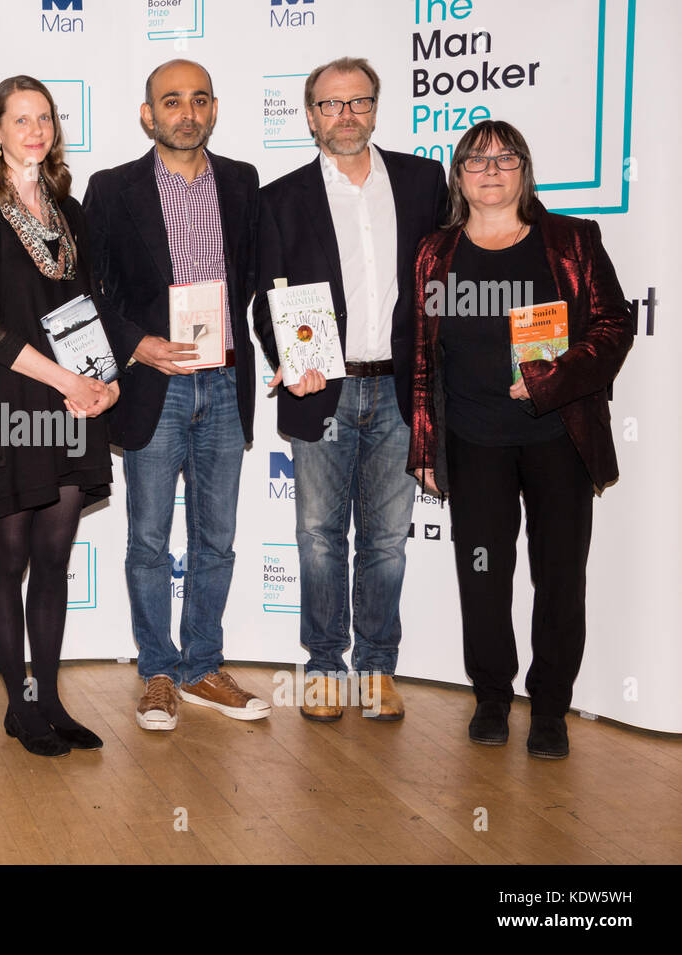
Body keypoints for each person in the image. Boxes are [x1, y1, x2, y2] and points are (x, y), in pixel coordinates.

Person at [408, 120, 633, 759]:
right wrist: (425, 445)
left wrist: (551, 379)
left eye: (505, 159)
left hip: (558, 438)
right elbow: (423, 357)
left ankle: (551, 707)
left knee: (559, 575)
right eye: (476, 161)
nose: (490, 170)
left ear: (524, 171)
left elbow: (615, 325)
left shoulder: (571, 240)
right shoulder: (435, 252)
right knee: (483, 574)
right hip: (472, 440)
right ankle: (491, 696)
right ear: (458, 177)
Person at [251, 57, 446, 722]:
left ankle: (378, 667)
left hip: (399, 389)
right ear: (310, 116)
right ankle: (327, 664)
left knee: (388, 538)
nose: (346, 116)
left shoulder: (424, 182)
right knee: (318, 535)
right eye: (331, 105)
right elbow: (265, 300)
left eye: (358, 102)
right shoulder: (279, 198)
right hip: (322, 389)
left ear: (375, 107)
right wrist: (288, 357)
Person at [84, 59, 267, 731]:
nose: (186, 112)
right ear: (147, 114)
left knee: (216, 538)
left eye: (198, 100)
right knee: (149, 540)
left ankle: (202, 666)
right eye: (171, 101)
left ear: (213, 109)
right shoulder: (111, 189)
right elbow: (94, 290)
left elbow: (259, 281)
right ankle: (158, 671)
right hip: (152, 384)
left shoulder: (244, 182)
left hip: (222, 381)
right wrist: (138, 345)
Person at [0, 76, 118, 758]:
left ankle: (49, 697)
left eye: (43, 117)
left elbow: (92, 309)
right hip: (10, 405)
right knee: (11, 556)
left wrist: (104, 385)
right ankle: (20, 705)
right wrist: (67, 380)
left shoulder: (71, 213)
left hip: (75, 401)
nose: (34, 129)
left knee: (54, 557)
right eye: (19, 118)